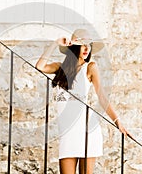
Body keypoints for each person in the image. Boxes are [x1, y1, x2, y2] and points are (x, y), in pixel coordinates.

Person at [35, 29, 130, 174]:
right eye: (82, 44)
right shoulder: (60, 68)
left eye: (89, 45)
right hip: (67, 132)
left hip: (86, 130)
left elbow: (102, 97)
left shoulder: (90, 67)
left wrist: (117, 121)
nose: (87, 48)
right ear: (74, 47)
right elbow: (39, 66)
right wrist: (55, 43)